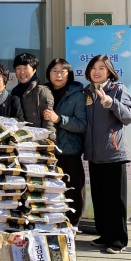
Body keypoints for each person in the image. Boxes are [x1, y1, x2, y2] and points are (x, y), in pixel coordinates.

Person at [83, 54, 131, 254]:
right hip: (95, 154)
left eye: (101, 68)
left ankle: (118, 240)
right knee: (100, 198)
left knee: (116, 199)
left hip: (114, 154)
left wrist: (111, 103)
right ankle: (105, 235)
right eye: (93, 68)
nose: (97, 72)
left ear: (109, 71)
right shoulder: (87, 92)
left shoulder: (117, 89)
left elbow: (130, 115)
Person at [43, 58, 87, 227]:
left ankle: (73, 225)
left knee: (73, 189)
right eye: (54, 71)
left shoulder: (77, 95)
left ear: (69, 74)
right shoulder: (43, 92)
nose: (58, 75)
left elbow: (82, 125)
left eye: (62, 71)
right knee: (50, 191)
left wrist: (59, 119)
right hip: (47, 151)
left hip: (69, 151)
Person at [11, 53, 56, 140]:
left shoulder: (42, 91)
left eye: (25, 68)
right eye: (18, 68)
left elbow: (49, 123)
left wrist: (48, 145)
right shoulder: (15, 92)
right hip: (18, 141)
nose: (22, 72)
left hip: (37, 142)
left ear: (34, 69)